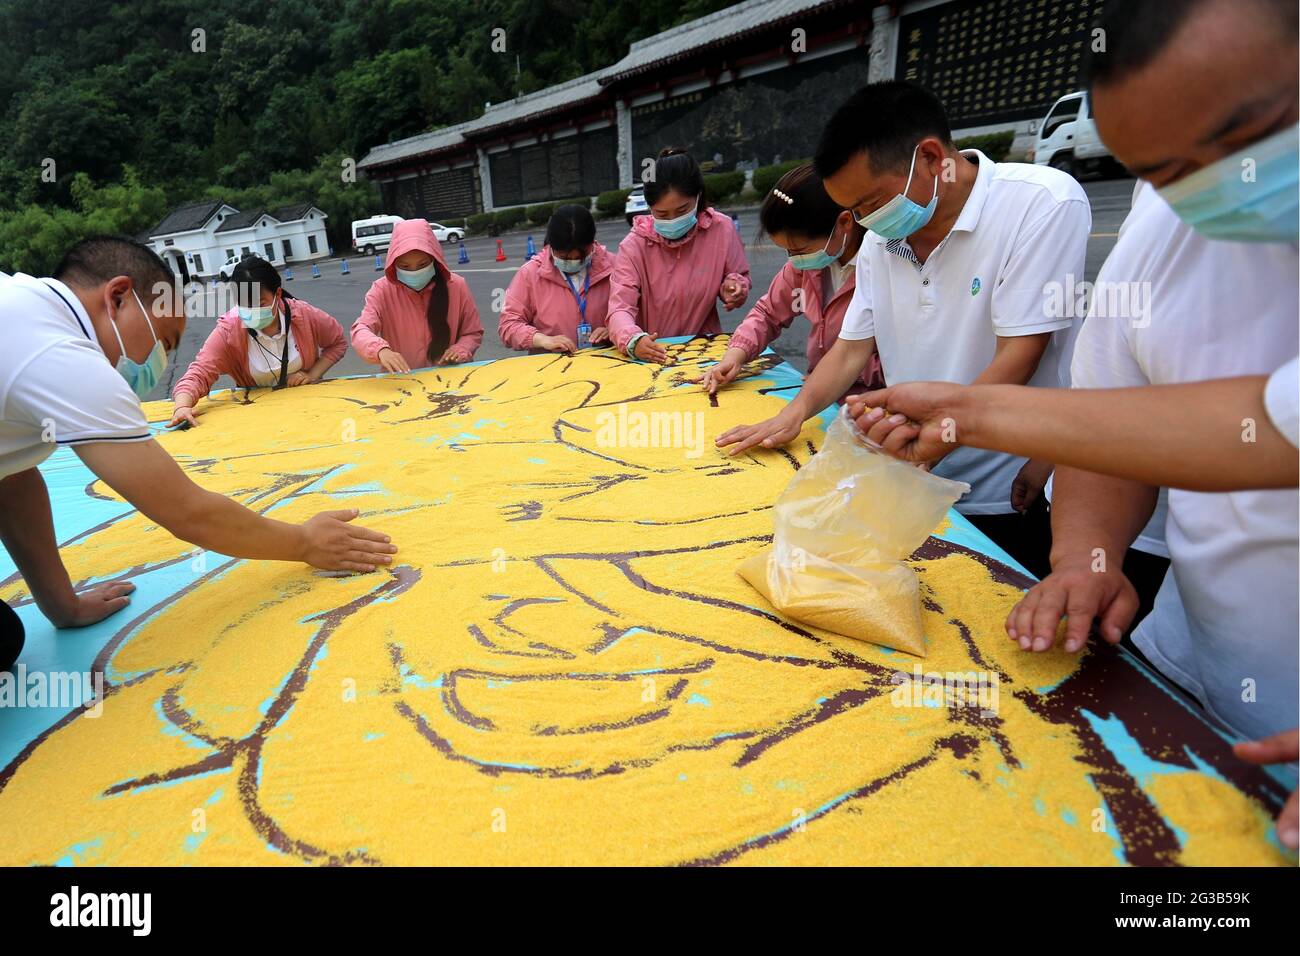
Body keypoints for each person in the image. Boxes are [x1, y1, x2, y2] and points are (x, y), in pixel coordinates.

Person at [851, 0, 1299, 848]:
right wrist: (1084, 559)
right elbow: (1107, 424)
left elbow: (1265, 426)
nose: (1214, 185)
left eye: (1251, 136)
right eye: (1168, 169)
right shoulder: (1170, 226)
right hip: (1190, 679)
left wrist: (968, 410)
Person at [717, 81, 1091, 579]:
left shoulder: (1041, 204)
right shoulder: (879, 242)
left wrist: (944, 433)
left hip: (1008, 483)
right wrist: (796, 412)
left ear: (932, 157)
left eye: (872, 202)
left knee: (998, 603)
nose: (865, 221)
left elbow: (1019, 354)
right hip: (911, 472)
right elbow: (851, 350)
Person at [0, 237, 397, 670]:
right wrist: (304, 541)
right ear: (117, 297)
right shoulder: (61, 357)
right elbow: (187, 511)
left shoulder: (24, 312)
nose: (159, 361)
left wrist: (62, 605)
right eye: (164, 343)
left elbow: (13, 476)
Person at [697, 164, 883, 400]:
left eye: (800, 250)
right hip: (821, 395)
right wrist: (736, 354)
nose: (795, 260)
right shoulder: (806, 266)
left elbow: (901, 358)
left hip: (876, 402)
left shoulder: (884, 265)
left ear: (844, 223)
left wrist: (835, 374)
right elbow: (768, 313)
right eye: (788, 252)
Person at [606, 148, 751, 364]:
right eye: (662, 214)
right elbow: (619, 309)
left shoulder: (722, 230)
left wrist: (734, 287)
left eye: (682, 210)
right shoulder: (634, 246)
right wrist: (633, 339)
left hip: (704, 352)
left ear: (698, 197)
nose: (672, 220)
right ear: (649, 208)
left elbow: (737, 276)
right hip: (653, 355)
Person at [169, 256, 347, 426]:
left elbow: (337, 342)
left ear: (277, 294)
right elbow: (199, 372)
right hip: (260, 419)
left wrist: (312, 374)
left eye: (260, 303)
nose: (252, 311)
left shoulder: (304, 315)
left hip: (311, 411)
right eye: (245, 304)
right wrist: (182, 406)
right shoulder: (229, 330)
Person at [351, 218, 483, 373]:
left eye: (422, 265)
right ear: (393, 264)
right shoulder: (382, 290)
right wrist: (381, 350)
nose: (414, 272)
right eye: (404, 266)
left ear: (435, 259)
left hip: (450, 378)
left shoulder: (456, 286)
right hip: (404, 383)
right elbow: (361, 329)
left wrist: (460, 349)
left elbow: (472, 332)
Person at [498, 204, 617, 354]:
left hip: (606, 363)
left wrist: (615, 328)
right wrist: (542, 340)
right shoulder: (530, 274)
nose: (573, 262)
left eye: (581, 257)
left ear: (592, 244)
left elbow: (637, 311)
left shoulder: (614, 266)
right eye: (564, 257)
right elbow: (508, 326)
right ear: (551, 246)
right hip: (552, 369)